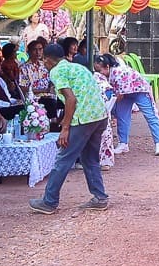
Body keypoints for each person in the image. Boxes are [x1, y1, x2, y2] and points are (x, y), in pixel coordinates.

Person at [32, 41, 113, 215]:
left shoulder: (56, 71)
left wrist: (65, 128)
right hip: (99, 116)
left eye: (44, 60)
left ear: (48, 60)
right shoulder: (77, 67)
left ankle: (49, 201)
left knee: (63, 159)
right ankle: (100, 197)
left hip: (83, 119)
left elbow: (71, 99)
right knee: (90, 159)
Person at [100, 53, 159, 157]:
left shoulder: (117, 73)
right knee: (122, 116)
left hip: (139, 90)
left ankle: (158, 143)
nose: (99, 73)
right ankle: (123, 143)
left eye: (99, 70)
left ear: (107, 67)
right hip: (126, 93)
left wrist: (109, 105)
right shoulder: (110, 73)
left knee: (150, 116)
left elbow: (119, 96)